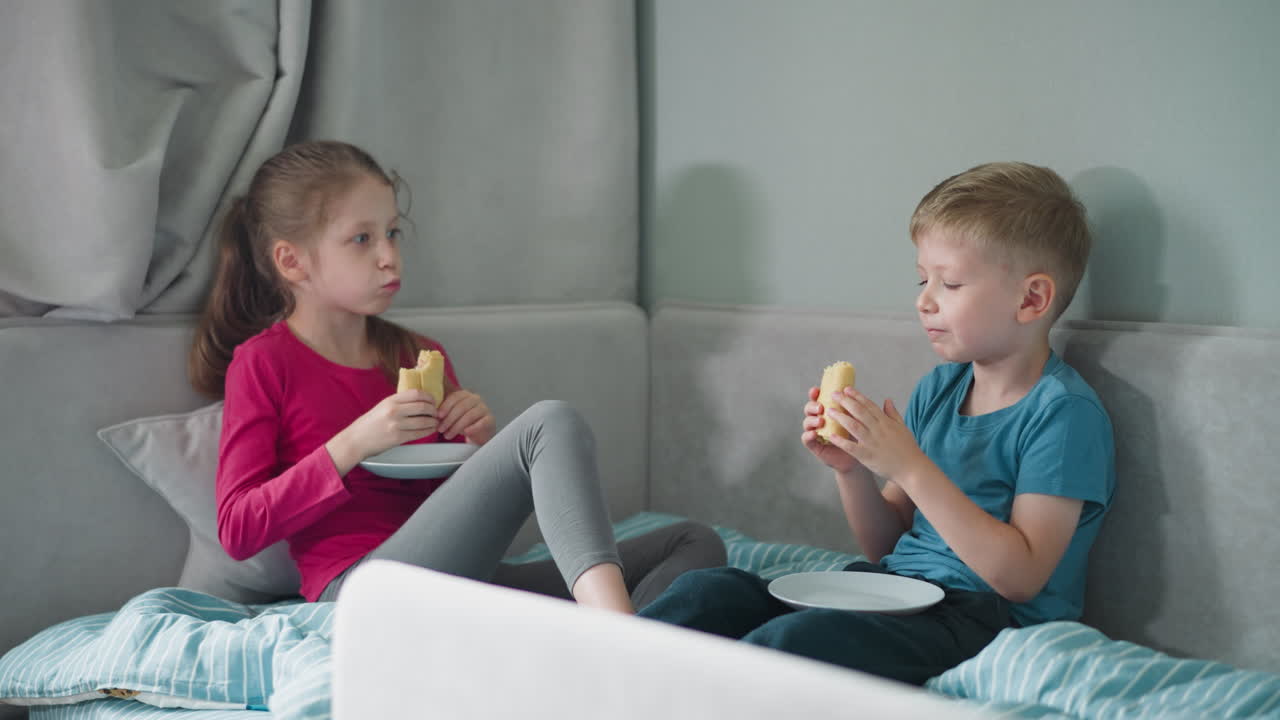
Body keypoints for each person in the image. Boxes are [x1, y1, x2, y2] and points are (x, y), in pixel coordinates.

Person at [188, 140, 725, 612]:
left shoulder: (418, 354)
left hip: (461, 582)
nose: (389, 256)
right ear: (291, 261)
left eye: (394, 233)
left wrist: (481, 446)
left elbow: (454, 515)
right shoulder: (264, 363)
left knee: (695, 544)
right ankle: (619, 640)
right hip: (361, 590)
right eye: (362, 239)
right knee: (549, 423)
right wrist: (354, 441)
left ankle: (607, 645)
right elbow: (238, 529)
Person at [639, 162, 1115, 684]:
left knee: (789, 647)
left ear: (1031, 299)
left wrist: (910, 468)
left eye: (950, 283)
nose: (923, 299)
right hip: (892, 590)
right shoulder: (940, 389)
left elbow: (1021, 577)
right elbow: (886, 549)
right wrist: (852, 470)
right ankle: (605, 684)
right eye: (922, 278)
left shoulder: (1063, 414)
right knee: (706, 593)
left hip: (982, 618)